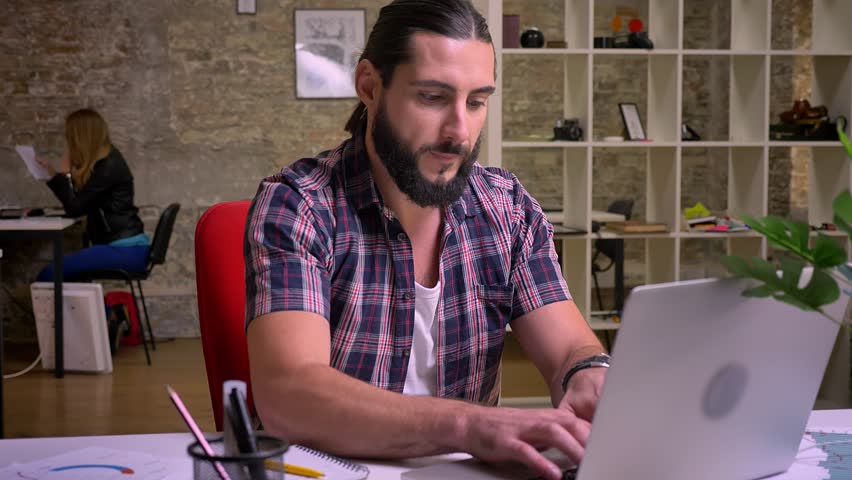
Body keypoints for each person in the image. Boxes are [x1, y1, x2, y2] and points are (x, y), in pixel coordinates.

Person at [244, 2, 607, 479]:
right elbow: (290, 396)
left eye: (476, 102)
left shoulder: (508, 210)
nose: (459, 132)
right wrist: (470, 425)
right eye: (433, 97)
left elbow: (569, 350)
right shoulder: (300, 206)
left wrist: (586, 373)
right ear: (369, 86)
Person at [34, 108, 148, 281]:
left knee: (48, 275)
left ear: (80, 138)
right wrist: (53, 174)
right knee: (69, 277)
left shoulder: (108, 166)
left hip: (125, 250)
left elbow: (74, 209)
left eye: (70, 138)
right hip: (122, 247)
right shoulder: (105, 162)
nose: (68, 143)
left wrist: (64, 175)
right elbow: (80, 202)